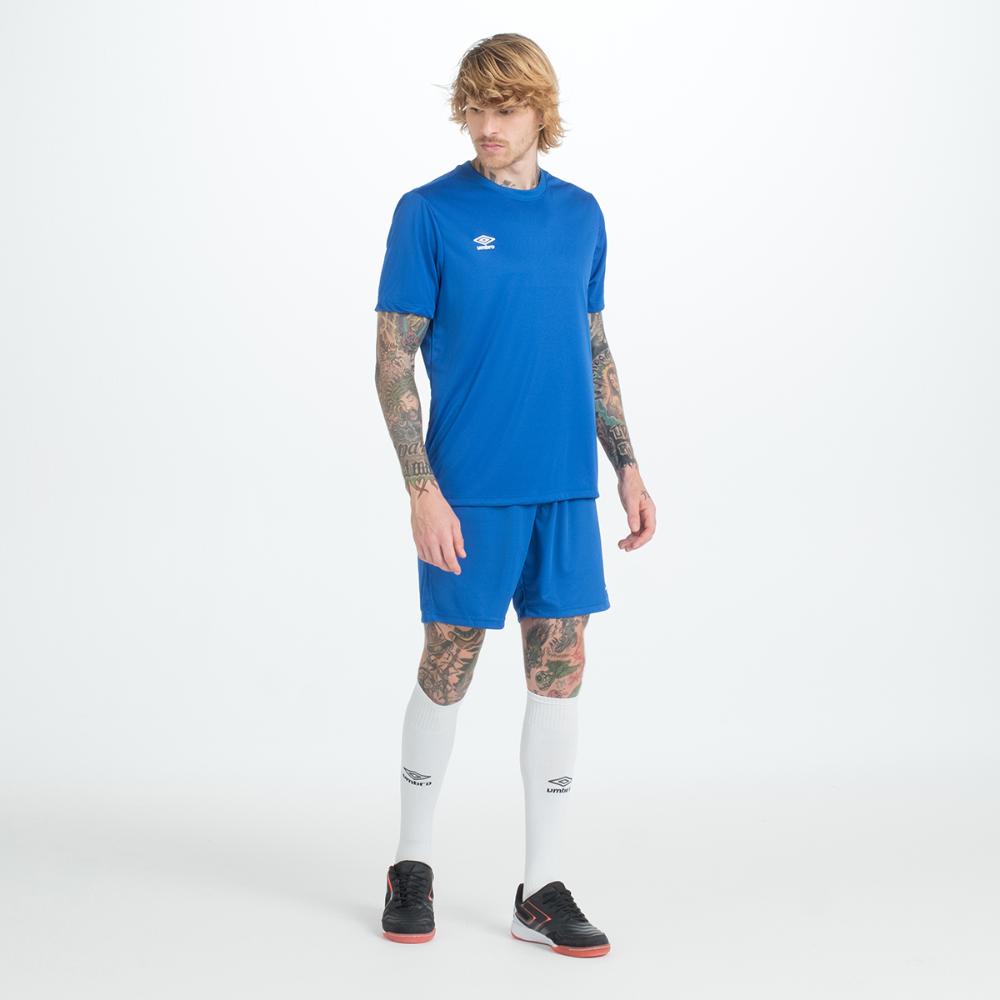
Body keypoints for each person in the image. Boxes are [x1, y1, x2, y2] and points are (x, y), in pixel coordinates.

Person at [373, 33, 655, 958]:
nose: (485, 125)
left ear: (541, 112)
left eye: (505, 109)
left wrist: (626, 463)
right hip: (471, 488)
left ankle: (542, 885)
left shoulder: (581, 214)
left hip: (566, 488)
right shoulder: (429, 212)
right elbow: (392, 360)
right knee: (448, 664)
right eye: (474, 108)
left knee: (560, 673)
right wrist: (421, 489)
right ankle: (411, 863)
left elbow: (593, 341)